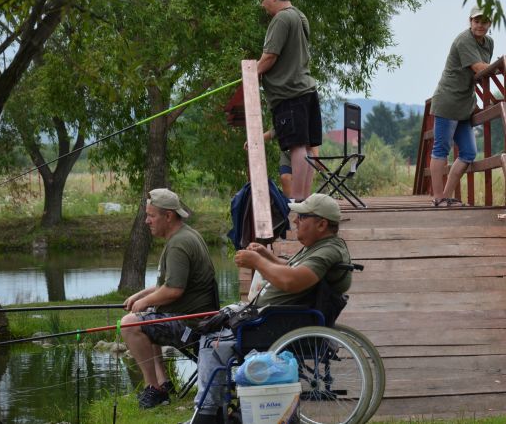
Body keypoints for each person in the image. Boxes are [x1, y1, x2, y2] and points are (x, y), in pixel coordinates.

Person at [189, 193, 351, 424]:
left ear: (322, 224)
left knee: (212, 341)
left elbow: (292, 281)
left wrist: (257, 262)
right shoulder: (319, 247)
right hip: (271, 317)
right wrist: (267, 256)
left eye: (301, 217)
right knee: (213, 323)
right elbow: (293, 269)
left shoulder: (327, 251)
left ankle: (206, 413)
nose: (295, 221)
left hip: (275, 323)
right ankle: (218, 410)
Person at [122, 188, 218, 409]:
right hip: (195, 317)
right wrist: (140, 296)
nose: (147, 221)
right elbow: (168, 284)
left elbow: (174, 290)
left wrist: (145, 302)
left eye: (151, 216)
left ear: (168, 216)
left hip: (193, 324)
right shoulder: (185, 235)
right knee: (147, 315)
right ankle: (163, 383)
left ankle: (153, 389)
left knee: (130, 324)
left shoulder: (179, 244)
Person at [253, 0, 322, 201]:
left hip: (289, 93)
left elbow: (270, 56)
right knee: (307, 148)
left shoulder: (281, 19)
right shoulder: (300, 16)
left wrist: (251, 74)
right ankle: (305, 201)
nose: (262, 4)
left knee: (297, 147)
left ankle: (299, 200)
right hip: (306, 90)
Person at [429, 6, 494, 207]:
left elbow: (481, 75)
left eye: (484, 21)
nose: (480, 25)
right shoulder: (464, 40)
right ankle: (438, 198)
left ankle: (447, 197)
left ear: (490, 24)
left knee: (468, 152)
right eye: (476, 21)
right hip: (448, 100)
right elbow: (479, 68)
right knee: (441, 149)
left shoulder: (489, 43)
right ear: (470, 21)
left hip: (465, 104)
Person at [262, 128, 319, 199]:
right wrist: (254, 140)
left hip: (304, 152)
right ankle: (289, 201)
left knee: (301, 181)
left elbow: (314, 146)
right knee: (285, 177)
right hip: (287, 153)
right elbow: (272, 132)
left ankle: (302, 200)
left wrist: (316, 163)